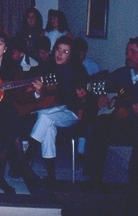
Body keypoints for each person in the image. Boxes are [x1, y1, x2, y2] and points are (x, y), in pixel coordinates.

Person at [84, 37, 138, 215]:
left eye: (133, 52)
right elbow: (102, 82)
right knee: (99, 126)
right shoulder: (123, 73)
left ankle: (135, 203)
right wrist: (103, 95)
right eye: (127, 51)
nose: (127, 55)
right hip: (122, 123)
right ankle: (95, 180)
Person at [0, 28, 41, 194]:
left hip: (3, 113)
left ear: (6, 47)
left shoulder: (14, 68)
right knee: (9, 115)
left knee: (6, 115)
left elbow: (18, 96)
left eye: (0, 43)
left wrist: (35, 92)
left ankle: (1, 178)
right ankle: (22, 165)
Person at [29, 36, 88, 187]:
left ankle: (26, 157)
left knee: (44, 118)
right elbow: (39, 95)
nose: (60, 54)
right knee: (47, 124)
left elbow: (87, 97)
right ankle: (51, 176)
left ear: (71, 54)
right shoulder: (48, 66)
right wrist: (38, 91)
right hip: (51, 111)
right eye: (58, 50)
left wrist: (82, 101)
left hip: (71, 112)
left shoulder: (78, 70)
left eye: (65, 51)